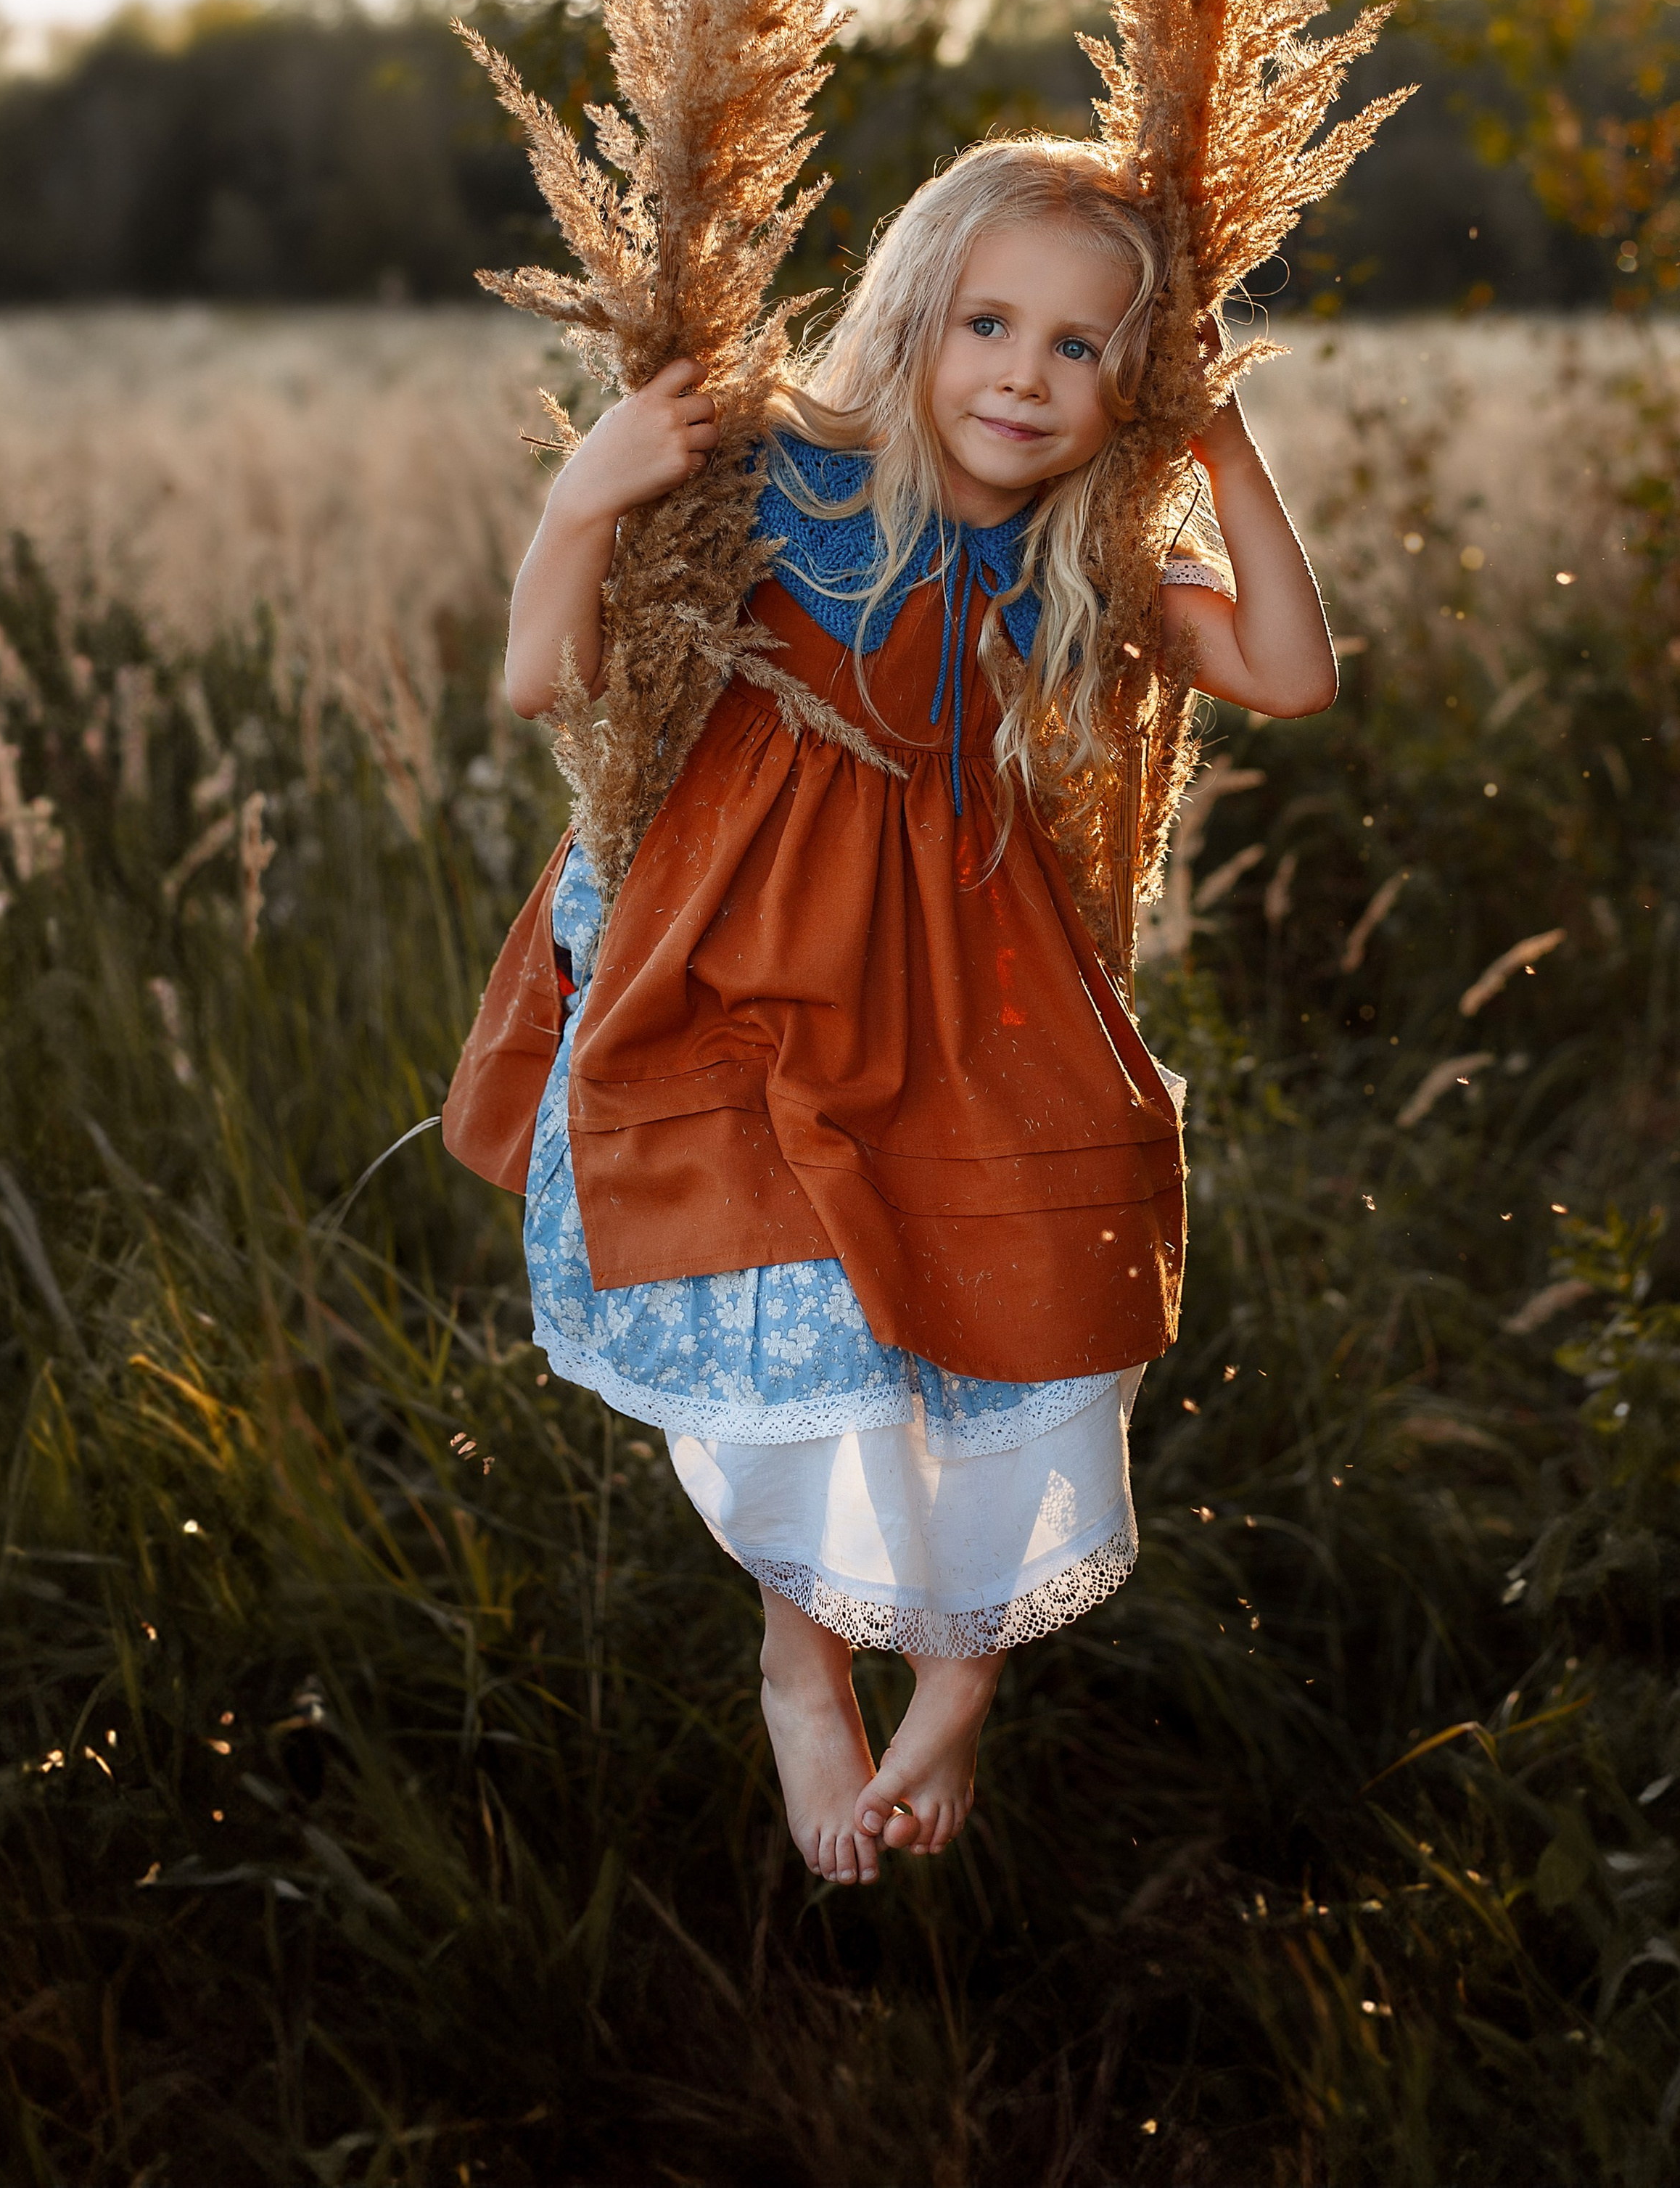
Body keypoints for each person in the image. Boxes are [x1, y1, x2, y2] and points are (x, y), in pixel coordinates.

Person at [442, 136, 1337, 1888]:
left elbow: (1289, 672)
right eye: (987, 323)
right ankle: (802, 1666)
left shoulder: (1072, 551)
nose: (1024, 372)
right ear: (913, 315)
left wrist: (1216, 436)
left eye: (1084, 348)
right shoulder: (784, 475)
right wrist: (586, 496)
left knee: (1025, 1281)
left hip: (956, 985)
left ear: (1125, 383)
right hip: (745, 960)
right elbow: (541, 679)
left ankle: (957, 1676)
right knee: (817, 1311)